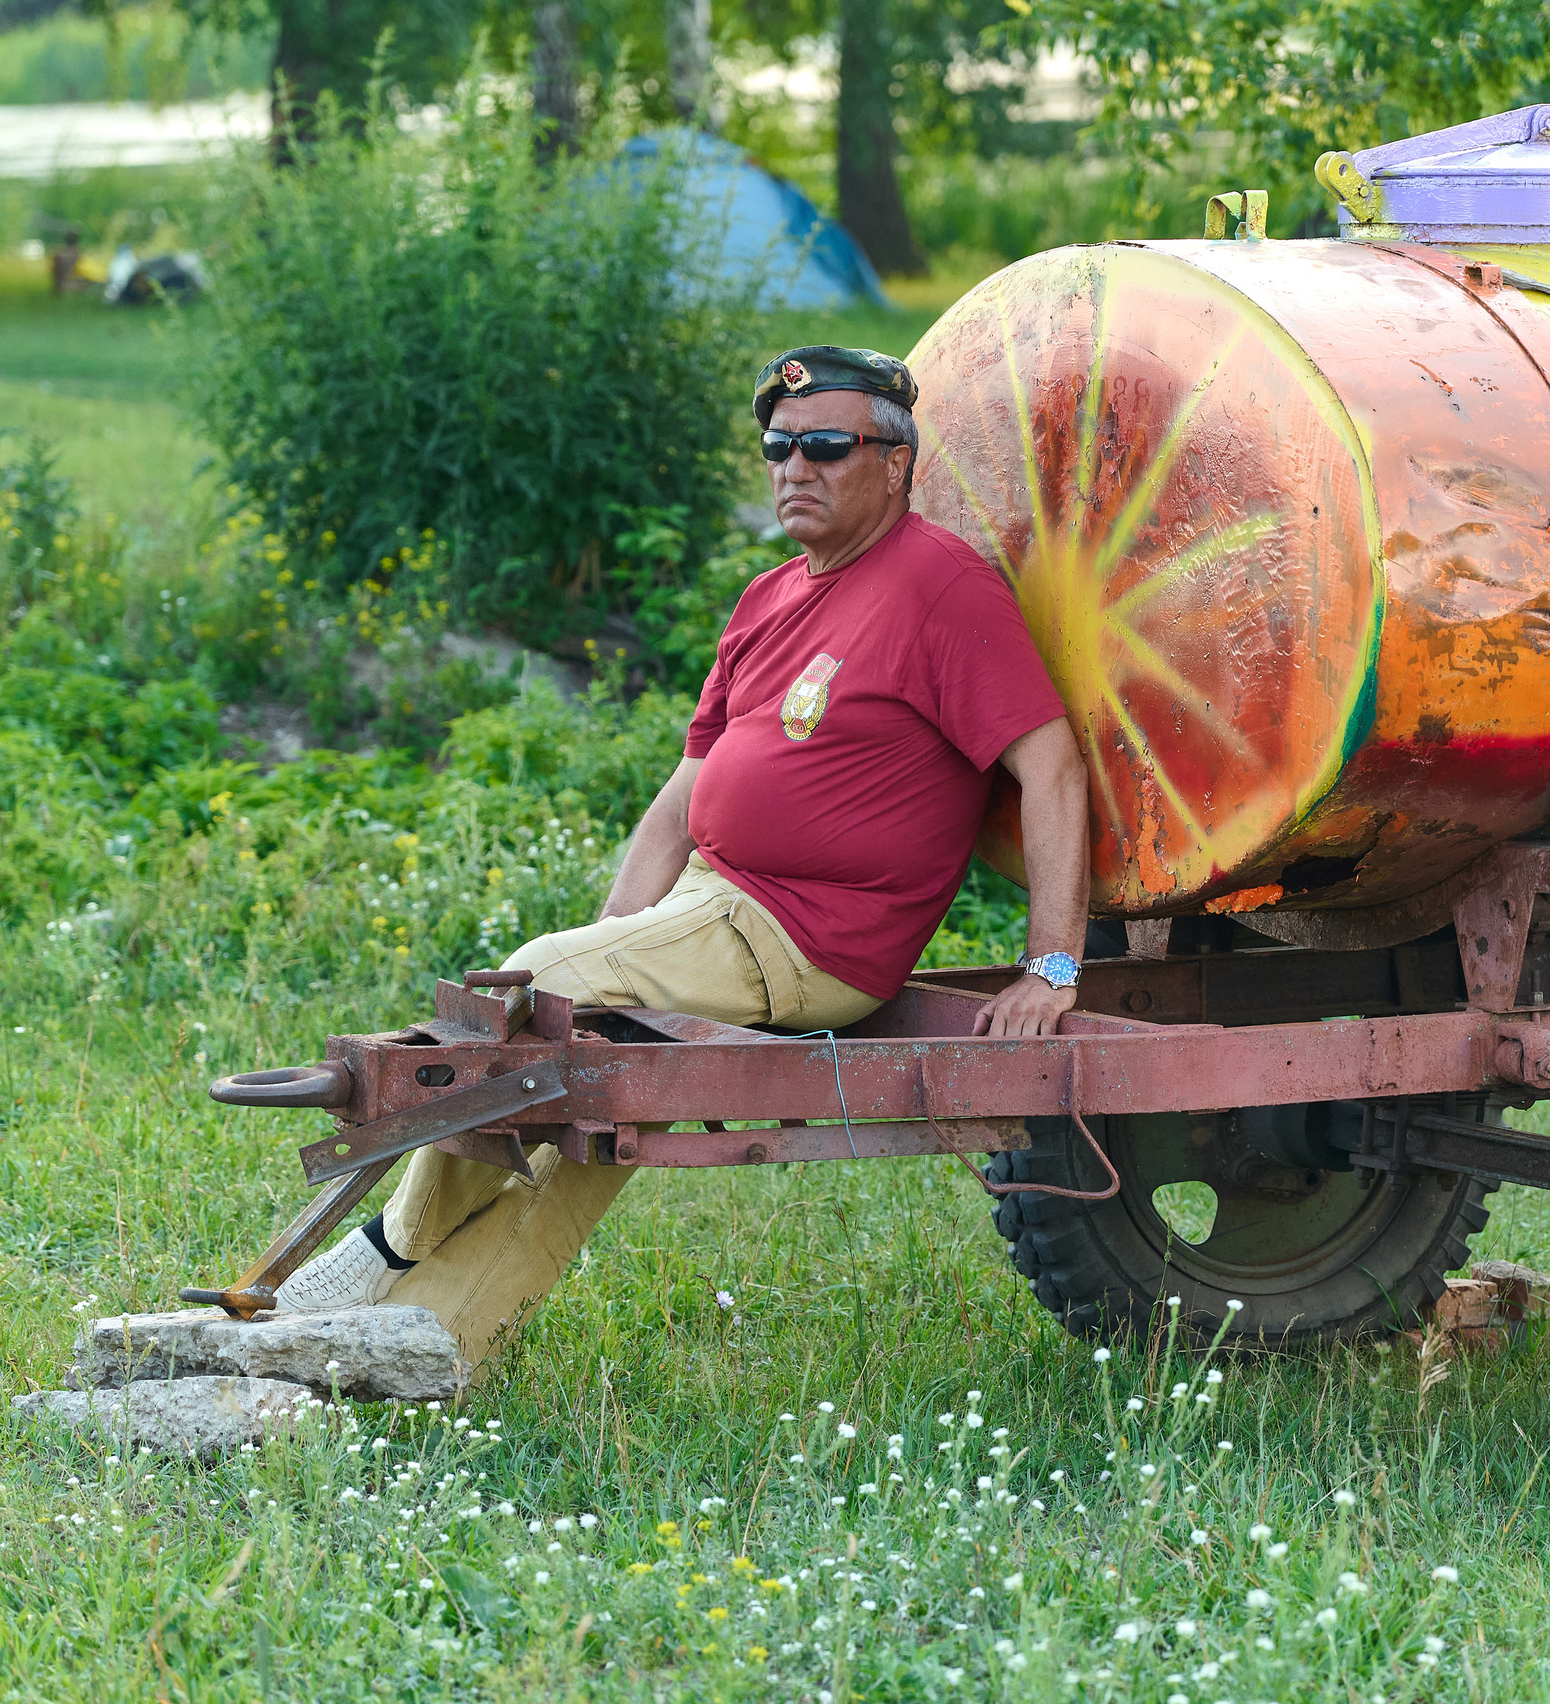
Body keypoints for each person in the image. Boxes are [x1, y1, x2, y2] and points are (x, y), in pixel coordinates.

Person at [269, 346, 1091, 1377]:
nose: (796, 466)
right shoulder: (770, 597)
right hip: (718, 911)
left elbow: (1049, 765)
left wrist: (1050, 966)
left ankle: (388, 1248)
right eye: (779, 448)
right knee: (594, 1079)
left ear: (895, 464)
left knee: (532, 985)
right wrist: (617, 945)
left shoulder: (940, 588)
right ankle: (432, 1345)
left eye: (827, 447)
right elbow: (685, 792)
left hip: (804, 937)